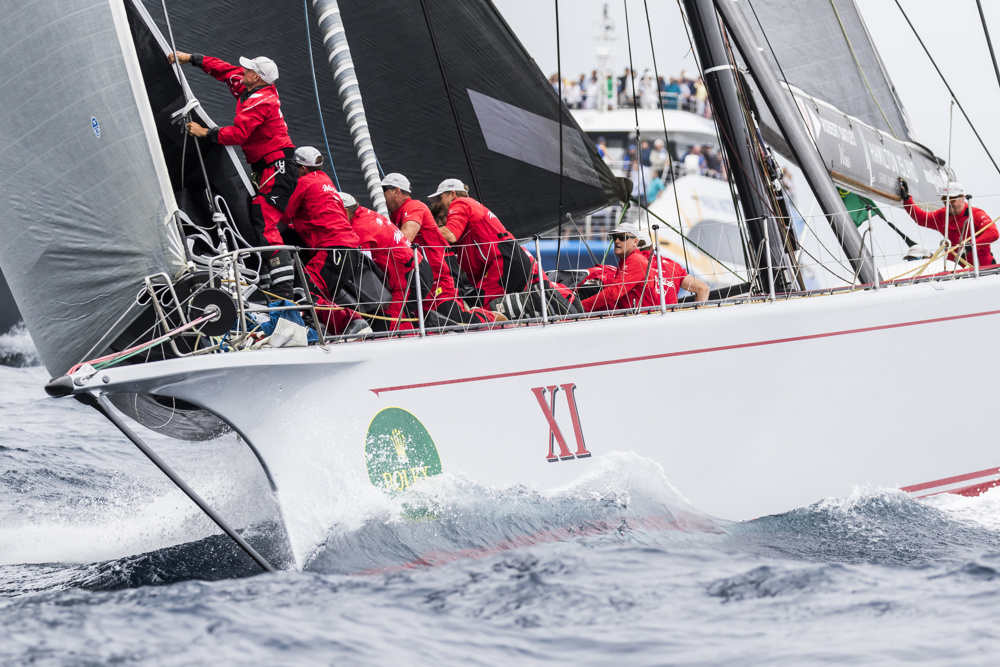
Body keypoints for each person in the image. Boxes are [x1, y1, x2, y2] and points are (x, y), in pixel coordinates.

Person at [169, 50, 298, 300]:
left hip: (278, 168)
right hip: (266, 168)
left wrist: (206, 132)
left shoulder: (263, 101)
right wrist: (192, 59)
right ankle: (266, 282)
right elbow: (226, 71)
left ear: (258, 78)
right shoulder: (248, 84)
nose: (244, 71)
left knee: (264, 220)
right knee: (255, 218)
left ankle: (284, 297)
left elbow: (239, 134)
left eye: (249, 69)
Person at [431, 179, 576, 315]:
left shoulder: (460, 203)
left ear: (452, 194)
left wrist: (425, 226)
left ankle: (542, 309)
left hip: (502, 260)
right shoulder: (472, 208)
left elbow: (450, 235)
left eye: (440, 198)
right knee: (493, 304)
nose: (439, 203)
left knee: (483, 306)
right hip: (508, 258)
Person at [381, 173, 497, 326]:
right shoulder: (397, 215)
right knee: (431, 322)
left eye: (383, 190)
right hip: (423, 276)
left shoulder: (413, 206)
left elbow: (405, 238)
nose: (381, 195)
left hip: (439, 273)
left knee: (453, 320)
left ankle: (492, 316)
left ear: (396, 191)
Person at [281, 147, 367, 335]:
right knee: (318, 295)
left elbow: (284, 213)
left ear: (302, 169)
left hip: (332, 249)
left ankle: (352, 323)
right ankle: (326, 331)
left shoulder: (303, 183)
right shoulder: (326, 180)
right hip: (349, 249)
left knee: (304, 291)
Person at [343, 194, 430, 332]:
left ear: (346, 212)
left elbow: (363, 271)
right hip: (415, 269)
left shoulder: (361, 229)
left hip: (410, 276)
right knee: (395, 317)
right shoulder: (365, 213)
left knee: (390, 320)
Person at [899, 179, 998, 268]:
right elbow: (920, 218)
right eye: (944, 200)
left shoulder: (975, 214)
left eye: (951, 199)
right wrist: (907, 199)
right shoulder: (942, 215)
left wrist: (971, 245)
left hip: (981, 267)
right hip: (956, 269)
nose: (948, 203)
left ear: (962, 198)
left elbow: (993, 233)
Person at [580, 223, 651, 313]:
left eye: (622, 237)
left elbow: (613, 292)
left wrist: (580, 306)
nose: (617, 241)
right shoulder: (630, 259)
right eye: (615, 237)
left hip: (641, 316)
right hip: (634, 313)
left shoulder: (636, 260)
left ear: (635, 241)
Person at [635, 229, 709, 304]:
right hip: (671, 315)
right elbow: (703, 288)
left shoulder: (628, 266)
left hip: (642, 315)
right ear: (652, 247)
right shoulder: (672, 265)